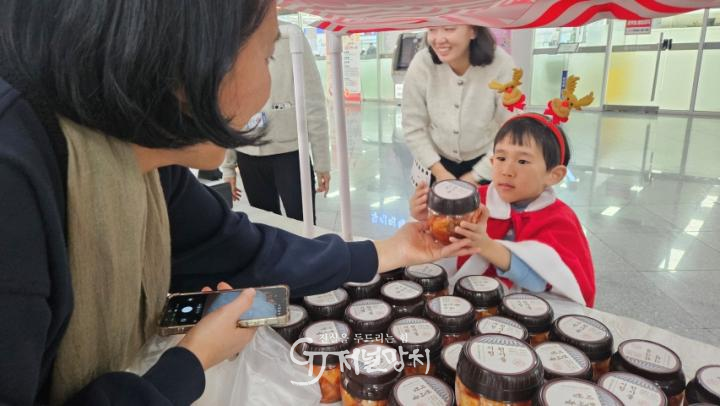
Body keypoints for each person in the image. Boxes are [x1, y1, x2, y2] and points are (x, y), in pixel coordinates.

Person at [0, 1, 466, 404]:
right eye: (266, 56)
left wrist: (388, 251)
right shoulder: (16, 184)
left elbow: (243, 250)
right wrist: (192, 360)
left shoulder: (145, 163)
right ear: (193, 55)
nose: (266, 86)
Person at [410, 114, 596, 307]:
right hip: (466, 301)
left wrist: (486, 246)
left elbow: (546, 281)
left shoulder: (559, 220)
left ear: (554, 175)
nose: (506, 170)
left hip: (525, 309)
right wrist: (428, 219)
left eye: (522, 161)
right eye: (501, 158)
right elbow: (444, 244)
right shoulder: (475, 200)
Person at [221, 22, 330, 223]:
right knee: (266, 224)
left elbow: (313, 102)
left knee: (302, 223)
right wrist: (228, 167)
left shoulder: (290, 35)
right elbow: (226, 107)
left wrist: (322, 162)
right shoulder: (230, 37)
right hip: (247, 154)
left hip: (289, 154)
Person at [402, 25, 516, 185]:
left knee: (484, 202)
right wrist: (440, 172)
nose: (438, 39)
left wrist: (477, 175)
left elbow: (511, 127)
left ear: (473, 31)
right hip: (434, 161)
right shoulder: (422, 63)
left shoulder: (501, 63)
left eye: (449, 28)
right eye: (432, 29)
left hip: (489, 159)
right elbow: (413, 125)